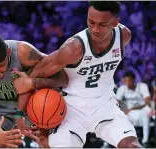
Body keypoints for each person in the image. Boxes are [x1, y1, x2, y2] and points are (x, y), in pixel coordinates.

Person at [13, 1, 143, 148]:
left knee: (131, 145)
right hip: (70, 109)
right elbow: (32, 76)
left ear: (115, 22)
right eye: (91, 22)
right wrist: (21, 115)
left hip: (105, 104)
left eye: (102, 25)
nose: (95, 29)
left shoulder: (123, 36)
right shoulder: (73, 48)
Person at [116, 71, 151, 147]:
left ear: (134, 80)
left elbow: (147, 102)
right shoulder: (122, 88)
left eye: (129, 81)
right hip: (130, 113)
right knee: (119, 117)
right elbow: (116, 102)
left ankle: (145, 141)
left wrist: (132, 108)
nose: (127, 83)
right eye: (125, 81)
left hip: (142, 110)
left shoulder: (142, 86)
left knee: (145, 114)